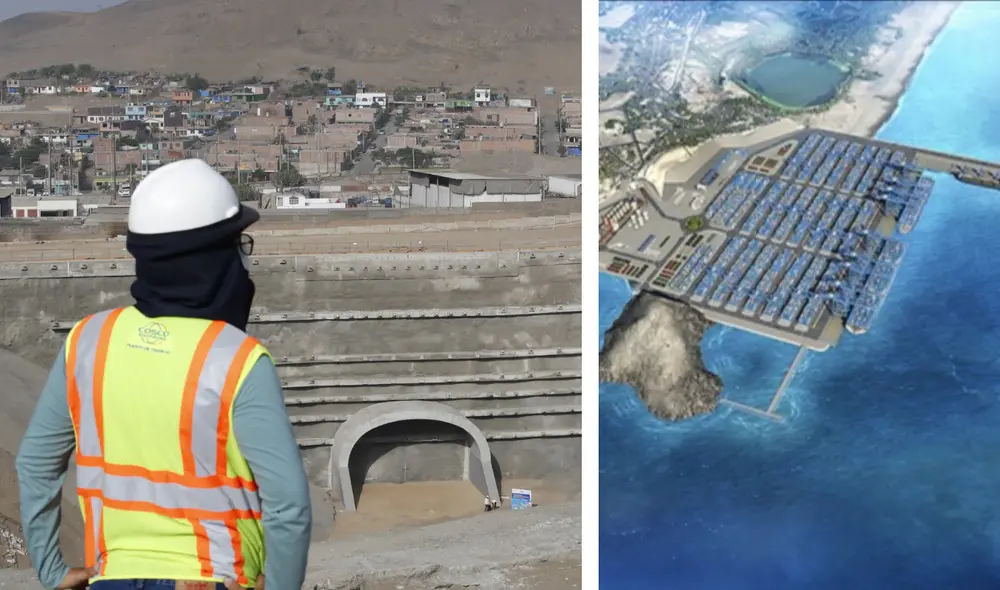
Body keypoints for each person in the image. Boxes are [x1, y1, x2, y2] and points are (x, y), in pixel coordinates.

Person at [16, 159, 312, 590]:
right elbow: (288, 506)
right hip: (217, 578)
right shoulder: (239, 359)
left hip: (110, 578)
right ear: (212, 258)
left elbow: (36, 465)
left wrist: (52, 572)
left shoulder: (86, 342)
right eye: (238, 245)